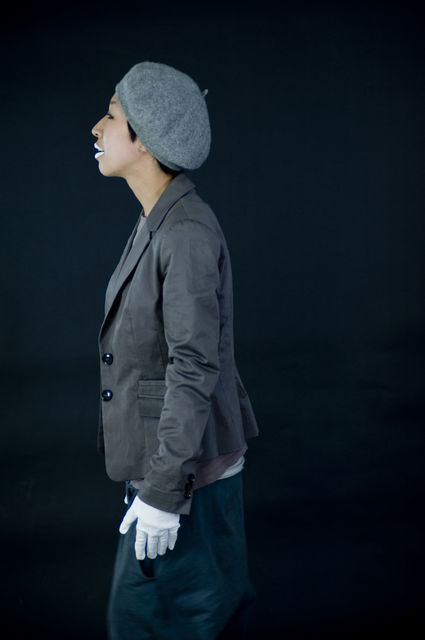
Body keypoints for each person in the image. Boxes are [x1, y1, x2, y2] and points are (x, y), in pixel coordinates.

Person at [91, 61, 259, 640]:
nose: (97, 128)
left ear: (144, 138)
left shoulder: (185, 231)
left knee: (178, 622)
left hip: (188, 478)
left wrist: (163, 494)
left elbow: (194, 365)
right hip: (172, 467)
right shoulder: (157, 220)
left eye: (111, 116)